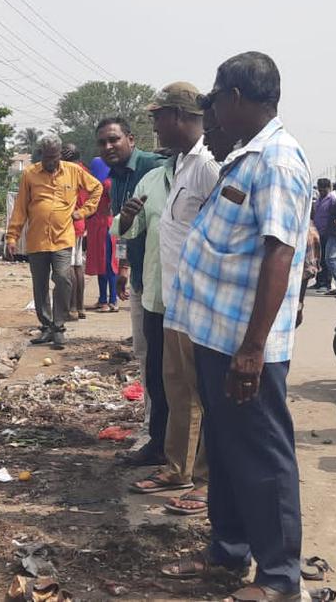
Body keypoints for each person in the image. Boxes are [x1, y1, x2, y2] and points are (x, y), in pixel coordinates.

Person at [161, 52, 310, 601]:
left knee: (264, 457)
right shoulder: (244, 159)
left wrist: (252, 349)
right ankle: (227, 552)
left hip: (245, 347)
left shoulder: (277, 160)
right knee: (225, 450)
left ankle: (278, 580)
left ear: (238, 98)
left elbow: (279, 255)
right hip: (214, 337)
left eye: (218, 100)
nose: (214, 113)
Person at [125, 82, 219, 513]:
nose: (154, 126)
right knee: (177, 388)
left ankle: (205, 480)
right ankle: (177, 467)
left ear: (178, 116)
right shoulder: (178, 164)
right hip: (173, 297)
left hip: (202, 299)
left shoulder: (208, 165)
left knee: (203, 392)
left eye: (157, 116)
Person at [98, 116, 164, 456]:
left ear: (131, 139)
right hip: (140, 276)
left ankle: (162, 433)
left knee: (165, 360)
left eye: (114, 140)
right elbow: (123, 225)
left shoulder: (156, 167)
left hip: (165, 279)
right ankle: (153, 427)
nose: (109, 147)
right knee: (144, 355)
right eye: (103, 143)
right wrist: (122, 266)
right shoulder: (116, 179)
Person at [6, 136, 102, 349]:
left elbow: (97, 188)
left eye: (55, 156)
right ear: (42, 154)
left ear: (60, 154)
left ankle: (59, 325)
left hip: (62, 238)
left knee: (63, 278)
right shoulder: (30, 174)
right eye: (48, 157)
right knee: (39, 286)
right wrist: (12, 237)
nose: (51, 161)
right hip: (37, 240)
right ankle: (47, 326)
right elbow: (20, 208)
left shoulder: (73, 170)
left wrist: (84, 211)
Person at [85, 158, 119, 312]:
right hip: (103, 225)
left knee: (107, 263)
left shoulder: (105, 184)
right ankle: (104, 299)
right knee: (104, 263)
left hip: (103, 226)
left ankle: (110, 301)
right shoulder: (106, 182)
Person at [62, 144, 89, 320]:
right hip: (81, 222)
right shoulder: (85, 171)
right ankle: (80, 307)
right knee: (79, 265)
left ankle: (71, 307)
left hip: (68, 223)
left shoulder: (68, 172)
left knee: (69, 266)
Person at [311, 178, 336, 291]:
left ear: (328, 188)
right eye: (319, 190)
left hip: (327, 233)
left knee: (326, 259)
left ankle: (326, 284)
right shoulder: (319, 199)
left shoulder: (332, 199)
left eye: (323, 190)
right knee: (318, 259)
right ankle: (319, 281)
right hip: (317, 233)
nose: (321, 192)